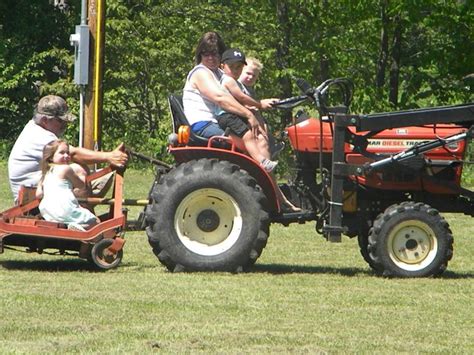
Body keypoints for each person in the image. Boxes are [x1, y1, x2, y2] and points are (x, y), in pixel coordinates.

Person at [8, 95, 128, 202]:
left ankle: (84, 216)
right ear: (44, 120)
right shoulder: (39, 135)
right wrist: (109, 156)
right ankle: (87, 221)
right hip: (31, 198)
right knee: (79, 169)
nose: (64, 125)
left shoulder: (36, 129)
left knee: (101, 177)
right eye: (60, 121)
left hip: (37, 190)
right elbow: (74, 154)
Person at [216, 48, 278, 172]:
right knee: (249, 136)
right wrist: (260, 104)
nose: (236, 70)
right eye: (233, 67)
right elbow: (241, 97)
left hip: (233, 115)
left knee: (256, 136)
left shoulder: (236, 82)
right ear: (223, 67)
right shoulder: (229, 80)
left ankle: (263, 161)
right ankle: (262, 162)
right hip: (227, 116)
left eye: (239, 67)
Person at [36, 140, 100, 231]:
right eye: (62, 153)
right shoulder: (66, 169)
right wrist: (82, 173)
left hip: (48, 212)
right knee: (96, 222)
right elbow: (81, 186)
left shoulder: (45, 172)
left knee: (69, 216)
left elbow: (38, 194)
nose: (66, 156)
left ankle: (74, 225)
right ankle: (79, 228)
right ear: (51, 157)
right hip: (65, 209)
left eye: (68, 153)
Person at [239, 57, 284, 158]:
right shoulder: (236, 85)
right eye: (248, 73)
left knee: (268, 135)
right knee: (262, 142)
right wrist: (260, 104)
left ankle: (270, 151)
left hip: (250, 122)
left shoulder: (250, 90)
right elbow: (242, 103)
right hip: (240, 123)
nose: (250, 77)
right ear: (240, 70)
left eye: (254, 76)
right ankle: (265, 170)